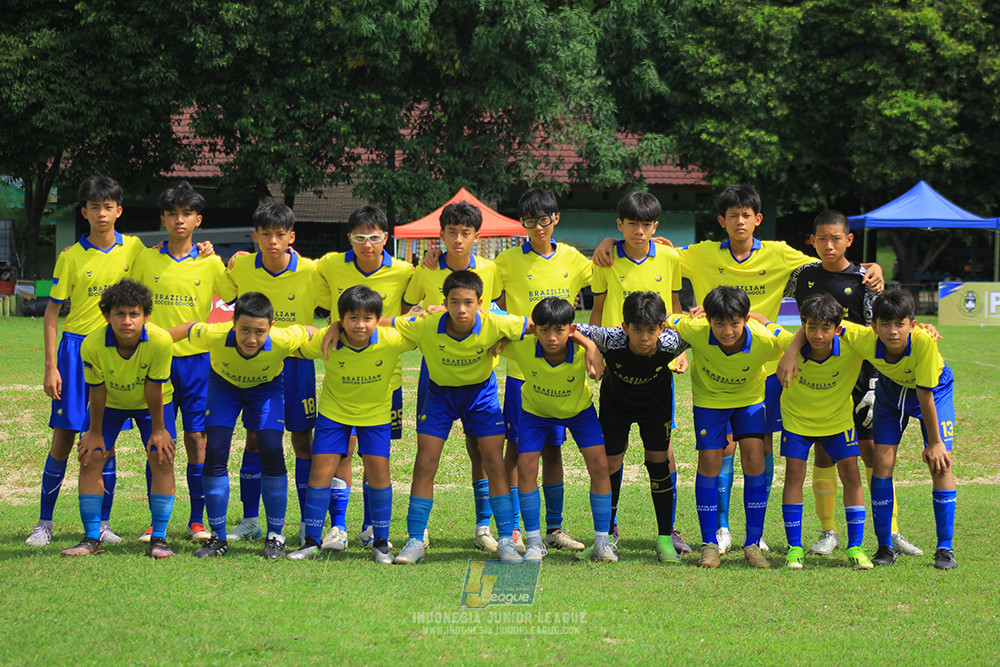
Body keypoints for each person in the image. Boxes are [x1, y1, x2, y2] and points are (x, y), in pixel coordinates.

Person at [594, 184, 884, 554]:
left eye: (747, 215)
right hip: (716, 366)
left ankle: (755, 532)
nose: (740, 221)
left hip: (766, 368)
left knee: (758, 449)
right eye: (733, 216)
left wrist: (869, 268)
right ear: (722, 221)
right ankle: (721, 528)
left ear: (757, 219)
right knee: (720, 450)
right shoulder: (700, 255)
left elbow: (828, 258)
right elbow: (649, 248)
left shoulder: (780, 255)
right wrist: (609, 241)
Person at [779, 289, 958, 570]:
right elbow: (815, 324)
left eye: (901, 324)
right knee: (881, 463)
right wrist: (791, 350)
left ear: (912, 324)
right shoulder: (861, 337)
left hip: (934, 392)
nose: (893, 332)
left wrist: (934, 442)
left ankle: (944, 547)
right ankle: (885, 543)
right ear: (873, 326)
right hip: (890, 390)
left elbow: (926, 396)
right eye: (885, 324)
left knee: (941, 464)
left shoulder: (923, 342)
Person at [784, 210, 920, 557]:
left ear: (849, 240)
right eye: (821, 239)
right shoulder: (801, 275)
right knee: (826, 453)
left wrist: (876, 382)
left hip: (861, 378)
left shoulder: (865, 279)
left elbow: (880, 330)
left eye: (836, 238)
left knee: (874, 454)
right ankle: (828, 531)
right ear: (811, 240)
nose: (829, 246)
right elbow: (781, 308)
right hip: (819, 376)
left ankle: (890, 531)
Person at [27, 174, 146, 548]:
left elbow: (167, 264)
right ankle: (44, 523)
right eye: (94, 207)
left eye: (108, 206)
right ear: (84, 212)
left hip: (115, 351)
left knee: (104, 442)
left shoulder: (136, 250)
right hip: (76, 351)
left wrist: (207, 248)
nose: (101, 213)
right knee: (63, 438)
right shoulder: (71, 257)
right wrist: (51, 366)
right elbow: (52, 313)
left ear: (119, 210)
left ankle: (104, 522)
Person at [389, 270, 527, 564]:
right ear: (444, 302)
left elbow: (541, 325)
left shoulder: (495, 321)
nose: (461, 309)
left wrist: (589, 344)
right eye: (454, 302)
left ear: (480, 303)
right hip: (440, 395)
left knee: (493, 462)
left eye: (468, 302)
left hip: (481, 395)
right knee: (426, 461)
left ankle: (504, 540)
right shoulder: (426, 324)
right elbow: (385, 323)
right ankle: (415, 539)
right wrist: (339, 325)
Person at [168, 292, 314, 559]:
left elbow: (309, 331)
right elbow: (188, 328)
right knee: (217, 450)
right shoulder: (215, 333)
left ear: (270, 327)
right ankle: (218, 537)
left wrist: (336, 331)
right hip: (224, 387)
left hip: (266, 389)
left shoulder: (283, 338)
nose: (251, 339)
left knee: (271, 448)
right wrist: (151, 342)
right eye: (244, 330)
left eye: (259, 332)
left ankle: (275, 536)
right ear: (232, 323)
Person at [588, 191, 691, 554]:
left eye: (646, 225)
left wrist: (680, 351)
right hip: (618, 356)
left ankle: (670, 529)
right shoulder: (606, 257)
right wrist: (596, 353)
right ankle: (609, 527)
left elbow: (677, 306)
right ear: (620, 225)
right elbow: (597, 310)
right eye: (632, 224)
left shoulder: (669, 255)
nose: (639, 231)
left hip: (657, 360)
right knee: (611, 453)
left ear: (655, 227)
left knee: (663, 452)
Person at [493, 188, 593, 554]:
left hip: (563, 373)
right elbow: (489, 303)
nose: (538, 227)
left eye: (545, 219)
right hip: (523, 372)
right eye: (530, 221)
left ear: (556, 219)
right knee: (518, 450)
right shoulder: (505, 262)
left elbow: (610, 274)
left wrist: (615, 243)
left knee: (553, 451)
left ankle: (554, 528)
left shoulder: (574, 260)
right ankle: (515, 528)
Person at [288, 285, 415, 563]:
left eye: (368, 318)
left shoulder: (392, 339)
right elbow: (296, 344)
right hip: (334, 413)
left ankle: (381, 542)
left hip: (376, 415)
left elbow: (425, 327)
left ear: (377, 319)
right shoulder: (326, 338)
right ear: (340, 320)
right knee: (321, 469)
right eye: (352, 318)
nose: (360, 325)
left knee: (379, 471)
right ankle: (311, 541)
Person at [404, 201, 503, 552]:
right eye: (451, 232)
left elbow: (502, 312)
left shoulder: (491, 270)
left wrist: (501, 338)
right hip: (437, 374)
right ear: (441, 235)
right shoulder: (425, 269)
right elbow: (407, 310)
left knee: (481, 451)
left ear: (477, 236)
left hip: (479, 375)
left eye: (465, 233)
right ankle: (419, 533)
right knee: (427, 454)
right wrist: (422, 311)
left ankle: (483, 528)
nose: (458, 239)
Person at [131, 181, 227, 544]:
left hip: (200, 363)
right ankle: (157, 523)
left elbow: (236, 292)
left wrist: (227, 258)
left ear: (198, 219)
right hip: (157, 362)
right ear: (163, 219)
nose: (179, 220)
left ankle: (197, 521)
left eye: (186, 213)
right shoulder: (146, 258)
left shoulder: (211, 262)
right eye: (172, 214)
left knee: (196, 440)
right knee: (159, 441)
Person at [749, 294, 873, 570]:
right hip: (797, 422)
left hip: (838, 423)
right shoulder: (788, 342)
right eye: (811, 327)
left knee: (851, 475)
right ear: (802, 325)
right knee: (794, 475)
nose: (818, 335)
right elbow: (761, 320)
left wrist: (923, 328)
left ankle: (856, 547)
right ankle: (794, 548)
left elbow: (884, 336)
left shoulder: (852, 347)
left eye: (825, 328)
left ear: (837, 328)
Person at [316, 205, 414, 550]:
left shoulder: (405, 271)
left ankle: (373, 527)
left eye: (374, 237)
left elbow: (415, 315)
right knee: (342, 453)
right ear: (350, 239)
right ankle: (337, 528)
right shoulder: (329, 264)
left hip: (386, 381)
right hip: (342, 379)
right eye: (359, 237)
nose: (367, 244)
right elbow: (293, 264)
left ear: (385, 238)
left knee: (376, 459)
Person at [664, 286, 785, 568]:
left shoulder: (764, 339)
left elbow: (794, 341)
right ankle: (709, 545)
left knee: (755, 459)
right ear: (708, 321)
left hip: (750, 400)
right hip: (709, 401)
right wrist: (687, 314)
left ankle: (753, 544)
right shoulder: (695, 329)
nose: (727, 331)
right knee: (709, 461)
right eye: (719, 323)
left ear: (744, 320)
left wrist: (764, 320)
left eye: (734, 323)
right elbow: (668, 318)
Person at [223, 202, 319, 545]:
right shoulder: (242, 266)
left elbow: (343, 291)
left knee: (301, 440)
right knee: (255, 439)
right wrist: (208, 250)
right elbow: (214, 285)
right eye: (266, 234)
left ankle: (309, 522)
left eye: (280, 235)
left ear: (291, 237)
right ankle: (250, 519)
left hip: (296, 365)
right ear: (255, 236)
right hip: (255, 366)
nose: (273, 241)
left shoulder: (311, 271)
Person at [60, 280, 177, 558]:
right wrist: (95, 432)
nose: (127, 321)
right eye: (119, 314)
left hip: (153, 404)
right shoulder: (92, 345)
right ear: (106, 316)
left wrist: (159, 430)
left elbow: (154, 387)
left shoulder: (160, 340)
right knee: (92, 456)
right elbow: (97, 391)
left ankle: (159, 538)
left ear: (146, 316)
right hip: (110, 403)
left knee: (161, 456)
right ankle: (91, 538)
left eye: (134, 314)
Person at [499, 297, 615, 562]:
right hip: (535, 413)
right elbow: (494, 327)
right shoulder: (523, 347)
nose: (552, 337)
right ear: (534, 328)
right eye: (544, 330)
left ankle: (602, 541)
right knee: (526, 464)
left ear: (571, 329)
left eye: (559, 330)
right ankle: (534, 541)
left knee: (599, 464)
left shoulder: (585, 349)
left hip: (578, 411)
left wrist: (589, 345)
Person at [577, 291, 689, 563]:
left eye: (651, 330)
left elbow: (707, 329)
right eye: (636, 329)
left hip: (655, 406)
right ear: (624, 327)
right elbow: (570, 327)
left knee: (658, 461)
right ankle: (606, 535)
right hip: (617, 406)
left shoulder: (673, 341)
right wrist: (590, 346)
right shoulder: (610, 339)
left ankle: (664, 538)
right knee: (611, 462)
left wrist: (698, 315)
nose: (644, 337)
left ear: (662, 328)